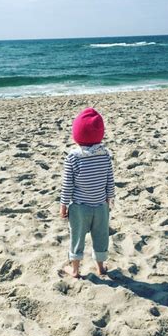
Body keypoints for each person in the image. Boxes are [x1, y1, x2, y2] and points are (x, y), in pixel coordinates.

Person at [59, 107, 115, 279]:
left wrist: (63, 205)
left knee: (77, 238)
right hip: (100, 206)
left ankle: (75, 270)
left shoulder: (73, 158)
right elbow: (109, 181)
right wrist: (109, 200)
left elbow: (67, 185)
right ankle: (101, 267)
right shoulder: (105, 155)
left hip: (80, 208)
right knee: (101, 236)